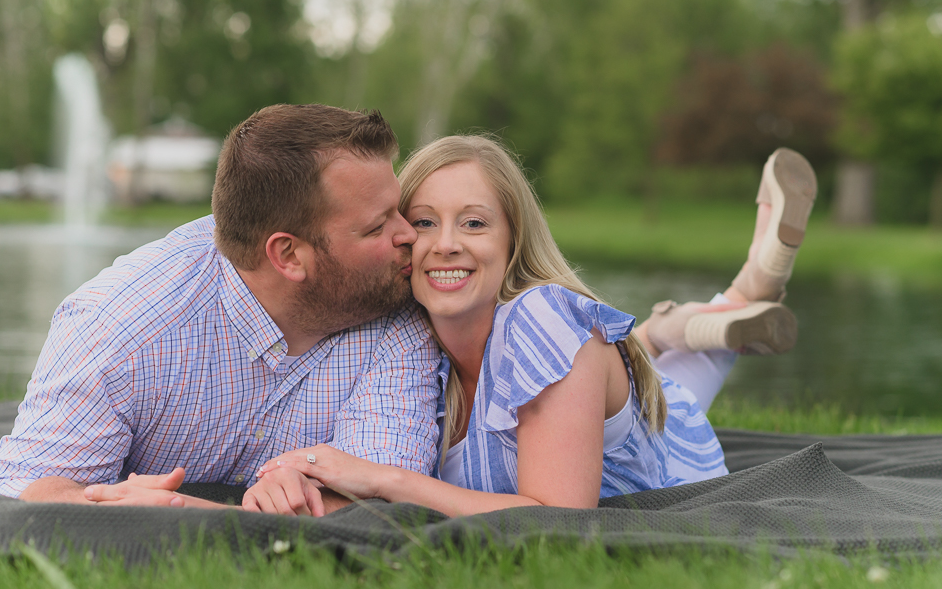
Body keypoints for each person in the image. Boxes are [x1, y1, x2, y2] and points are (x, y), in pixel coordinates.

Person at [258, 138, 815, 516]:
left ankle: (728, 298)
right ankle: (674, 327)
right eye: (424, 221)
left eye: (474, 223)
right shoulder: (408, 346)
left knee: (660, 403)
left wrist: (381, 479)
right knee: (645, 383)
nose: (446, 242)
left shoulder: (542, 317)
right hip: (612, 401)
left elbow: (558, 518)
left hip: (672, 474)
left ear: (512, 241)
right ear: (401, 237)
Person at [0, 104, 443, 514]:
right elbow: (15, 494)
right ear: (287, 255)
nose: (411, 236)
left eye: (399, 211)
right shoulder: (121, 326)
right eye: (378, 226)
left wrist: (189, 510)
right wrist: (107, 505)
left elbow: (387, 498)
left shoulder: (396, 302)